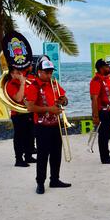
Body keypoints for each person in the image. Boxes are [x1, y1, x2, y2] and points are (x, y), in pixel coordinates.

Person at [25, 60, 72, 194]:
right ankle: (40, 183)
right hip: (42, 126)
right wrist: (50, 109)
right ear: (39, 72)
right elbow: (30, 107)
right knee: (42, 155)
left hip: (55, 124)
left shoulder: (54, 83)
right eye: (46, 72)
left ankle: (55, 179)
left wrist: (64, 100)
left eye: (51, 72)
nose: (49, 75)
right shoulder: (33, 86)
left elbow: (65, 99)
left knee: (56, 153)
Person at [90, 59, 110, 164]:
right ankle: (105, 158)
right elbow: (94, 99)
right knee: (104, 136)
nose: (109, 68)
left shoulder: (108, 79)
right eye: (106, 66)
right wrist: (95, 116)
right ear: (101, 68)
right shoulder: (96, 81)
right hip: (104, 112)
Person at [6, 66, 37, 167]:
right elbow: (19, 98)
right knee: (19, 137)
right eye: (17, 72)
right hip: (18, 114)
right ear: (12, 74)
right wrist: (23, 83)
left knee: (30, 135)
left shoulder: (25, 82)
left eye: (20, 72)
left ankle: (28, 156)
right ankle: (18, 159)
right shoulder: (11, 85)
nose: (20, 74)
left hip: (28, 111)